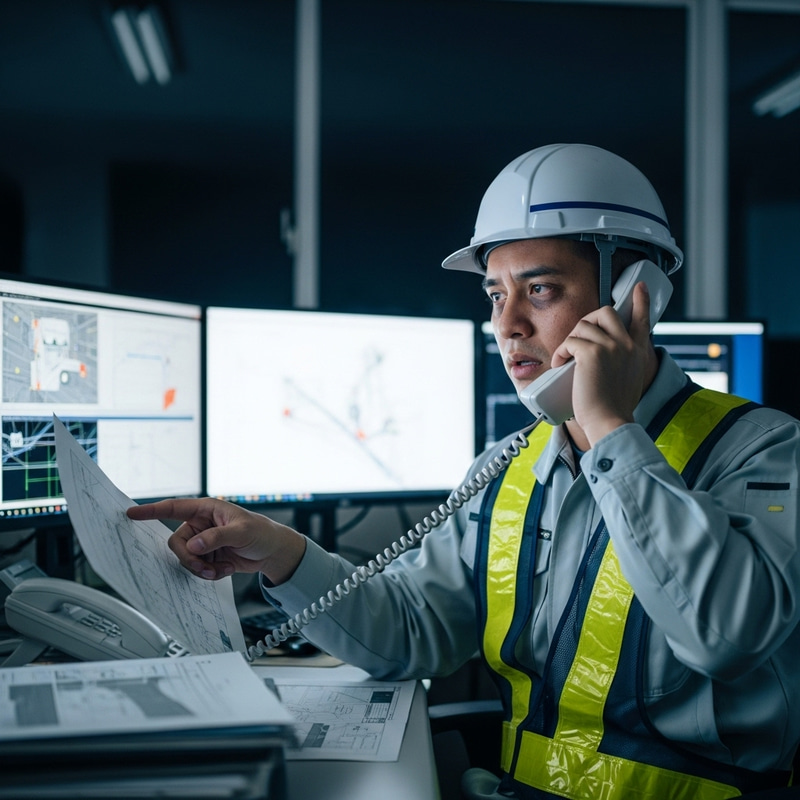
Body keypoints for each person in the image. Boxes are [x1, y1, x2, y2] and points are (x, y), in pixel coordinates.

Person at [128, 143, 800, 800]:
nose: (506, 324)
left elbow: (726, 635)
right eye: (494, 294)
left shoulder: (762, 451)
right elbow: (414, 629)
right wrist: (282, 554)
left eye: (539, 289)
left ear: (635, 298)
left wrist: (612, 431)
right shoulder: (510, 466)